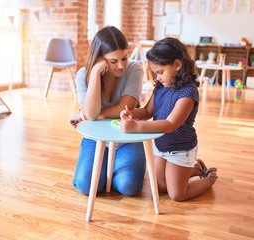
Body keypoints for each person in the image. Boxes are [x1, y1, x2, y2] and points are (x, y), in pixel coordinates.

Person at [119, 37, 218, 201]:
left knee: (177, 194)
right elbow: (146, 111)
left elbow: (171, 124)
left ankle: (209, 179)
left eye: (160, 72)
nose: (157, 77)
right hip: (161, 145)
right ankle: (196, 168)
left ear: (177, 65)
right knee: (159, 187)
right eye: (155, 73)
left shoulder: (188, 92)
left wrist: (137, 128)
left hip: (180, 149)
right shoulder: (160, 87)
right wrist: (131, 113)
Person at [70, 26, 146, 196]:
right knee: (86, 186)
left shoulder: (134, 69)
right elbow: (90, 114)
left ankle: (114, 168)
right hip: (97, 139)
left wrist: (101, 114)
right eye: (113, 61)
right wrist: (96, 72)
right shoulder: (84, 75)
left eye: (124, 58)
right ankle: (106, 169)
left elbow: (126, 108)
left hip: (128, 138)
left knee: (128, 186)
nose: (121, 66)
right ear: (100, 58)